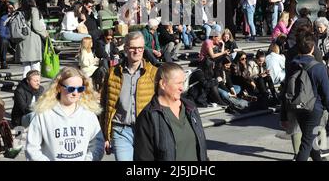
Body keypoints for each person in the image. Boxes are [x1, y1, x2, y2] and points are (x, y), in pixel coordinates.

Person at [280, 32, 329, 161]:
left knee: (310, 138)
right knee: (306, 142)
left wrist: (283, 114)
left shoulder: (292, 65)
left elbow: (285, 90)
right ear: (313, 48)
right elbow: (327, 92)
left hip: (297, 106)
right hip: (314, 109)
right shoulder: (318, 67)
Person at [100, 31, 158, 161]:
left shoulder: (153, 73)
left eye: (140, 48)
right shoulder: (112, 73)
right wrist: (106, 136)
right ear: (126, 48)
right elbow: (105, 104)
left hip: (146, 132)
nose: (136, 51)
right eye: (132, 47)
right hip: (121, 131)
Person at [26, 67, 104, 161]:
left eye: (80, 89)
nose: (75, 93)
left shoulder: (88, 113)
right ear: (59, 87)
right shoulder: (43, 114)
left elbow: (98, 144)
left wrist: (89, 159)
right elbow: (32, 148)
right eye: (71, 89)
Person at [133, 62, 208, 161]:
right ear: (163, 84)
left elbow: (201, 150)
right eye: (178, 83)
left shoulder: (190, 108)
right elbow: (143, 157)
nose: (182, 88)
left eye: (183, 82)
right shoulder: (149, 116)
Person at [17, 0, 49, 78]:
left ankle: (24, 84)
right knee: (35, 65)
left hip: (22, 39)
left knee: (26, 66)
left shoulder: (19, 11)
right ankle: (35, 84)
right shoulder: (34, 10)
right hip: (33, 40)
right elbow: (36, 26)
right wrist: (45, 33)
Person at [0, 1, 16, 69]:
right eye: (7, 8)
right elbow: (2, 33)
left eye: (11, 8)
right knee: (3, 41)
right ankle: (3, 61)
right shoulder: (3, 18)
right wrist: (11, 37)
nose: (9, 10)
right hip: (8, 38)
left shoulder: (18, 17)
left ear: (14, 8)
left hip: (17, 37)